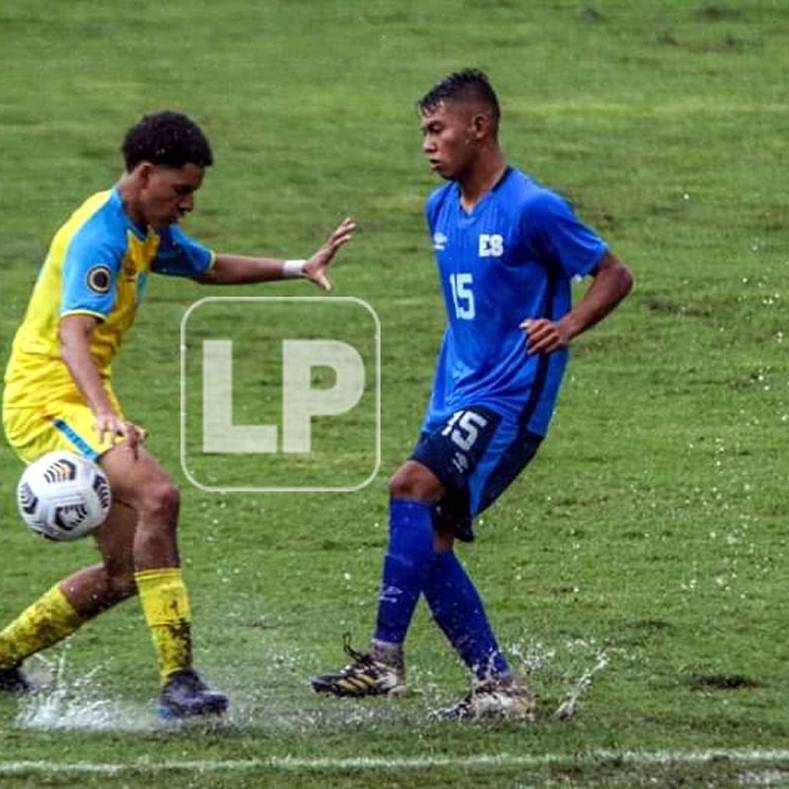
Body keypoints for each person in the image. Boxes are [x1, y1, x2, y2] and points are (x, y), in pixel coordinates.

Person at [0, 111, 356, 719]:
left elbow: (208, 266)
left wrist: (299, 266)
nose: (187, 203)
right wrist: (107, 415)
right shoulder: (101, 238)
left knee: (123, 573)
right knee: (159, 496)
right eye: (180, 190)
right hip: (46, 401)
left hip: (78, 399)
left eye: (193, 192)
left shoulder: (146, 225)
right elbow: (72, 338)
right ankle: (178, 681)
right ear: (143, 173)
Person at [310, 70, 633, 719]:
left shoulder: (533, 208)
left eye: (437, 129)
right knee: (425, 544)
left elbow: (613, 274)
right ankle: (499, 685)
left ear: (478, 127)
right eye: (423, 132)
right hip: (455, 398)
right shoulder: (439, 209)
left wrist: (566, 326)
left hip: (509, 402)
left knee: (408, 488)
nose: (427, 144)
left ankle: (384, 658)